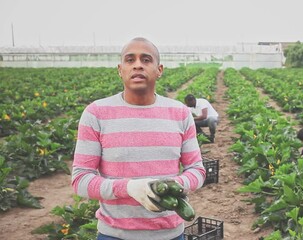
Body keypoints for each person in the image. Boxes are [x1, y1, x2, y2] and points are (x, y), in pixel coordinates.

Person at [71, 37, 206, 240]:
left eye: (146, 60)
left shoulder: (180, 113)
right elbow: (81, 180)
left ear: (159, 70)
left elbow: (197, 170)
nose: (137, 65)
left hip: (170, 234)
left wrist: (173, 185)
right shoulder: (96, 113)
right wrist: (129, 188)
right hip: (114, 235)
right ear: (120, 69)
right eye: (130, 60)